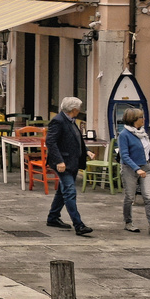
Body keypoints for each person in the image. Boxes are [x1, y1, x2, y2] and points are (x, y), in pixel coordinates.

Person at [45, 97, 92, 236]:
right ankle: (79, 225)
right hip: (63, 163)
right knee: (70, 191)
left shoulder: (71, 120)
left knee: (62, 191)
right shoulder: (58, 121)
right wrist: (59, 161)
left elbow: (76, 138)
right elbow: (51, 142)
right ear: (74, 110)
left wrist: (86, 150)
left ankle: (53, 217)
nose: (80, 110)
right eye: (79, 108)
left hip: (72, 162)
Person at [117, 107, 150, 235]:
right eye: (141, 117)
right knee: (129, 197)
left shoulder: (143, 133)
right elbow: (124, 155)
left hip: (145, 167)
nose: (143, 119)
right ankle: (128, 222)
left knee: (148, 197)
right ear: (133, 120)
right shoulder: (124, 135)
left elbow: (148, 148)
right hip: (130, 169)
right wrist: (137, 169)